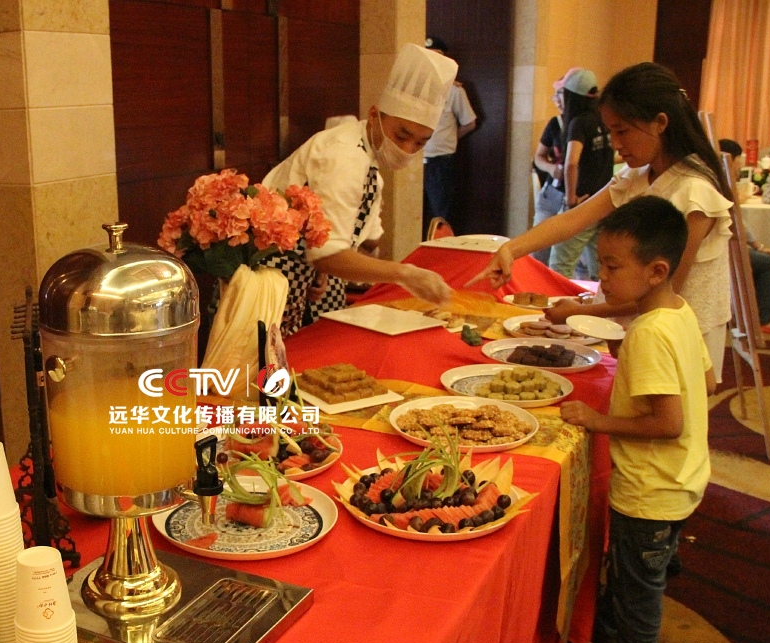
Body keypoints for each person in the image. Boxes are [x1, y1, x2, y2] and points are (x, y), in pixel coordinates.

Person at [468, 62, 733, 383]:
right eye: (611, 132)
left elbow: (667, 289)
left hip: (680, 332)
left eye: (622, 131)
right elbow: (574, 219)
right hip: (643, 325)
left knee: (672, 408)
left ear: (660, 123)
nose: (615, 144)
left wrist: (582, 312)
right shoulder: (638, 176)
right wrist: (511, 249)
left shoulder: (695, 192)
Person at [560, 195, 714, 643]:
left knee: (637, 592)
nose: (601, 278)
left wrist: (596, 420)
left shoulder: (649, 333)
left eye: (611, 267)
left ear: (656, 270)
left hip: (649, 491)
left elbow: (668, 423)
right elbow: (707, 382)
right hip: (684, 478)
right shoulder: (679, 311)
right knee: (645, 571)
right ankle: (619, 631)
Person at [261, 43, 455, 335]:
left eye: (420, 142)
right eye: (401, 135)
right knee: (270, 360)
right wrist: (406, 274)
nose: (407, 149)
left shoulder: (369, 160)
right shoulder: (343, 155)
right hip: (271, 279)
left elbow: (360, 240)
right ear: (374, 115)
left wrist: (326, 268)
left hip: (310, 278)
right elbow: (328, 253)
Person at [548, 69, 613, 279]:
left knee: (560, 266)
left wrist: (570, 200)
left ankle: (559, 301)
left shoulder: (579, 123)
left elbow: (571, 163)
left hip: (583, 205)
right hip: (603, 203)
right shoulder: (603, 120)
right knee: (599, 268)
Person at [717, 138, 770, 332]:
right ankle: (763, 320)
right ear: (731, 159)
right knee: (769, 263)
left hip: (722, 244)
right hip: (724, 248)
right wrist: (758, 246)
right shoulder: (722, 183)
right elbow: (737, 222)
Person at [420, 36, 477, 226]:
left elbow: (469, 123)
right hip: (413, 161)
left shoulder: (454, 90)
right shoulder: (414, 87)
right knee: (411, 215)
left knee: (441, 217)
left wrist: (451, 138)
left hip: (440, 162)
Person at [531, 70, 578, 263]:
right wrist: (552, 169)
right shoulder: (555, 124)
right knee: (539, 251)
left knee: (571, 259)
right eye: (555, 96)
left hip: (578, 198)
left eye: (561, 95)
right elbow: (538, 157)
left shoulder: (586, 123)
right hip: (553, 193)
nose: (557, 100)